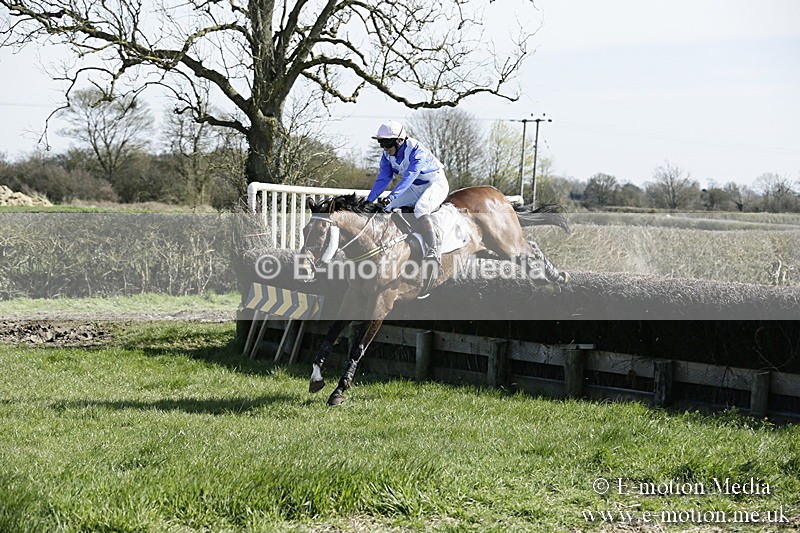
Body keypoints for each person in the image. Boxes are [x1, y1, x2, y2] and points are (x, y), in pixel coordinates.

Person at [366, 120, 449, 262]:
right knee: (385, 208)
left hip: (435, 184)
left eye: (387, 144)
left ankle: (433, 250)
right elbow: (383, 179)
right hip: (415, 188)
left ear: (399, 140)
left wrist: (391, 197)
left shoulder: (417, 150)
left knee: (421, 209)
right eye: (381, 144)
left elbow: (409, 177)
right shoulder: (386, 156)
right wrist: (368, 201)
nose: (385, 148)